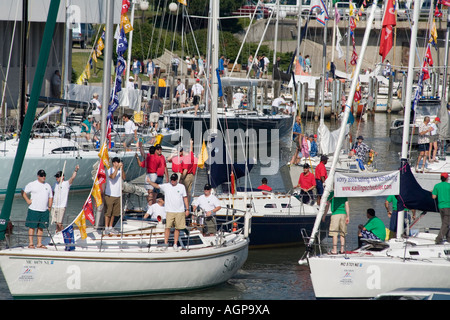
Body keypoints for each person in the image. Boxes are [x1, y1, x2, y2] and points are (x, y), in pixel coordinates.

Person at [148, 173, 189, 251]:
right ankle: (165, 244)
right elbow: (157, 186)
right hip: (169, 211)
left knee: (178, 228)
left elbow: (185, 198)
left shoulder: (181, 187)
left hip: (179, 211)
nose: (172, 181)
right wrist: (150, 182)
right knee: (167, 228)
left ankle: (175, 244)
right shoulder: (167, 186)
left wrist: (187, 209)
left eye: (174, 180)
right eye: (171, 180)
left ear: (177, 180)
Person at [22, 169, 53, 249]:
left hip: (44, 210)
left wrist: (49, 207)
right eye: (42, 175)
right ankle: (31, 243)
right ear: (38, 176)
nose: (43, 177)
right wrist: (28, 200)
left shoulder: (48, 185)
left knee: (41, 227)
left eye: (44, 175)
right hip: (33, 209)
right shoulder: (32, 184)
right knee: (32, 227)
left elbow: (50, 197)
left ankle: (39, 243)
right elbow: (23, 191)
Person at [51, 165, 79, 232]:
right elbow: (52, 192)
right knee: (56, 222)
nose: (56, 178)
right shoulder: (55, 184)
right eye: (56, 177)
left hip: (61, 206)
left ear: (62, 177)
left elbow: (72, 178)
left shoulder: (66, 183)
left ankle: (62, 233)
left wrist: (76, 170)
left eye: (58, 177)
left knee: (59, 223)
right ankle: (57, 232)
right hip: (54, 205)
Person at [323, 190, 349, 254]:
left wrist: (324, 215)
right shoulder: (343, 193)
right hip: (343, 214)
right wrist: (348, 216)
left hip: (335, 214)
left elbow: (327, 205)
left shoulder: (332, 194)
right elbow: (347, 205)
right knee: (342, 232)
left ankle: (334, 250)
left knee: (334, 233)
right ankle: (342, 250)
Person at [104, 157, 126, 234]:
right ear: (114, 163)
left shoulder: (120, 171)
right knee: (108, 212)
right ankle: (106, 227)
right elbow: (112, 177)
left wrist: (122, 169)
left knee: (114, 213)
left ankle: (111, 227)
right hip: (110, 194)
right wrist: (116, 169)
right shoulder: (110, 170)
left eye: (119, 162)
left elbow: (124, 178)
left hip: (118, 194)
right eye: (117, 162)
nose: (118, 163)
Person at [432, 172, 450, 244]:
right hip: (448, 207)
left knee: (445, 223)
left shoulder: (437, 186)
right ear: (447, 178)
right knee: (446, 224)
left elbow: (434, 197)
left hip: (440, 207)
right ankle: (438, 239)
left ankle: (449, 238)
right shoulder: (449, 186)